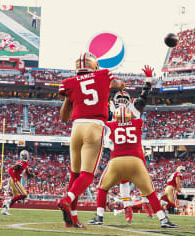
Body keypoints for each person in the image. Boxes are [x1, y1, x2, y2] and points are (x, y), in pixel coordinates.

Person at [58, 52, 125, 227]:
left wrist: (69, 97)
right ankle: (67, 199)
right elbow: (119, 84)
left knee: (75, 175)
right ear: (94, 65)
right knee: (87, 175)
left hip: (76, 127)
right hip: (95, 125)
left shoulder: (69, 83)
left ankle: (72, 218)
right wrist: (113, 83)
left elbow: (64, 118)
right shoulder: (103, 74)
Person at [87, 106, 177, 228]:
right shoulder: (137, 122)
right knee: (150, 193)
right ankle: (163, 219)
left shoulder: (110, 125)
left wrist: (113, 109)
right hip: (135, 162)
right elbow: (136, 113)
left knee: (102, 189)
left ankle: (99, 217)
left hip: (117, 161)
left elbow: (105, 125)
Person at [109, 65, 154, 222]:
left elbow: (143, 98)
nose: (121, 103)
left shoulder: (116, 110)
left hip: (128, 147)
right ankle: (137, 204)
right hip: (126, 147)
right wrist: (148, 80)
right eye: (119, 100)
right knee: (130, 177)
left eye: (123, 100)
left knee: (129, 178)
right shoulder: (132, 109)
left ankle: (135, 205)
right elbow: (143, 97)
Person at [1, 150, 35, 215]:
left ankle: (4, 211)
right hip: (14, 180)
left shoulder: (26, 164)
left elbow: (28, 173)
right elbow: (10, 169)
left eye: (26, 156)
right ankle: (8, 201)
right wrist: (14, 178)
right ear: (22, 157)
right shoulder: (20, 163)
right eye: (24, 156)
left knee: (15, 197)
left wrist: (32, 175)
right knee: (24, 194)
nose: (26, 157)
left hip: (15, 180)